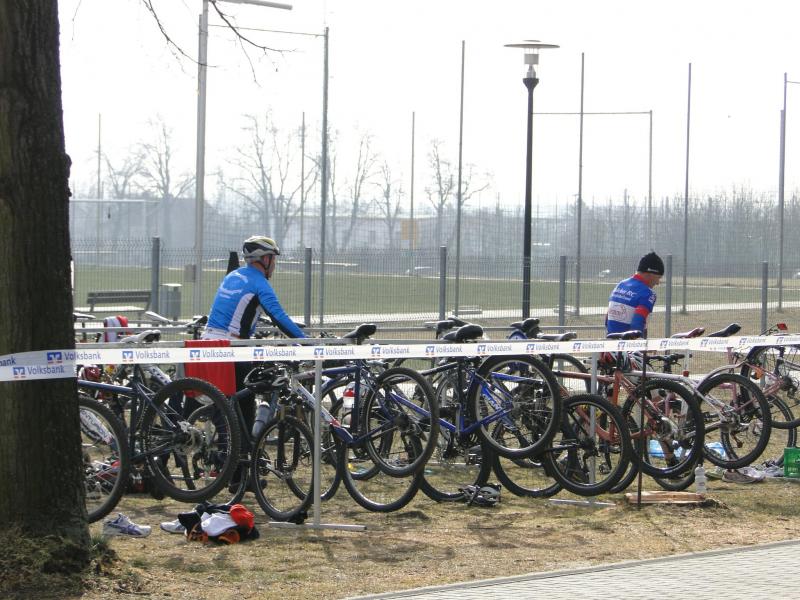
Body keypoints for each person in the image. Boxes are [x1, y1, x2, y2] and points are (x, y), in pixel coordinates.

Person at [203, 235, 306, 427]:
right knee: (244, 407)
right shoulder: (259, 283)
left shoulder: (233, 275)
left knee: (223, 406)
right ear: (265, 259)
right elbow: (278, 316)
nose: (274, 265)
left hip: (207, 342)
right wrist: (307, 341)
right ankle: (243, 446)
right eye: (273, 259)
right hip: (232, 348)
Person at [605, 251, 664, 337]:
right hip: (628, 343)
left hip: (610, 341)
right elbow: (637, 324)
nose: (658, 282)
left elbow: (607, 320)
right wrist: (641, 343)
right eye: (658, 277)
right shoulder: (648, 293)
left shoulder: (620, 285)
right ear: (651, 273)